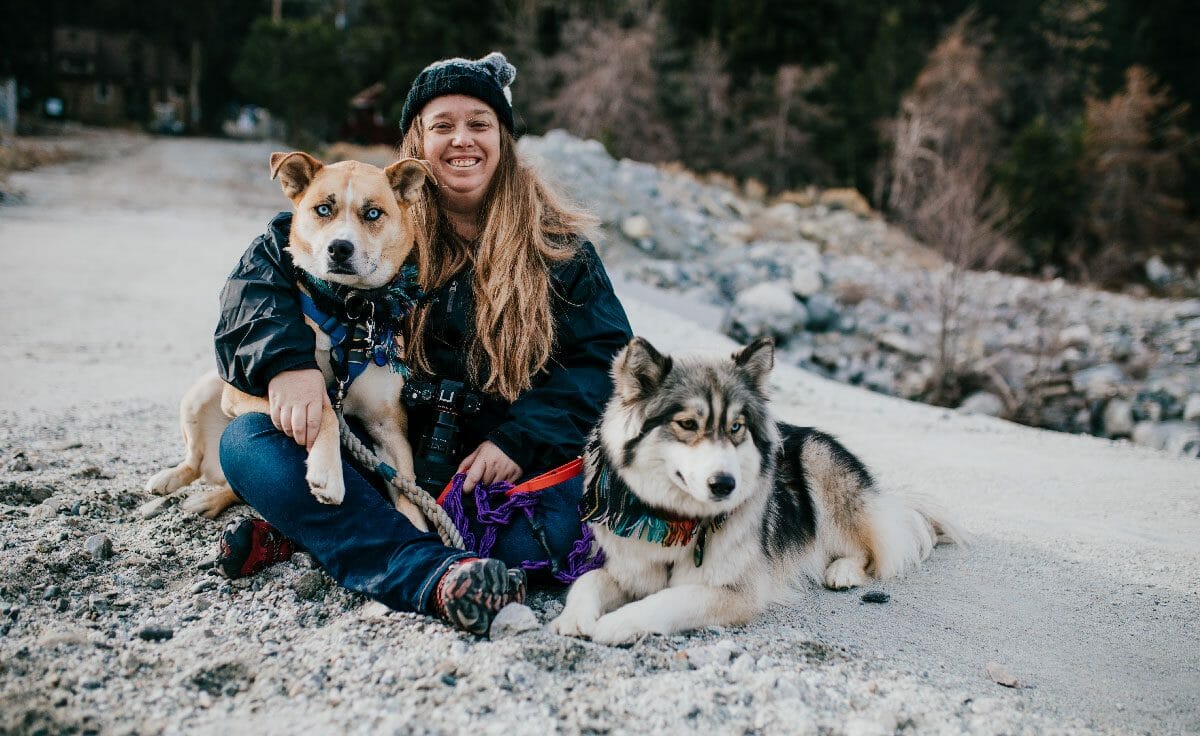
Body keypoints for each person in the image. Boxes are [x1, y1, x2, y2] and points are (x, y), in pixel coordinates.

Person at [212, 52, 632, 635]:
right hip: (372, 453)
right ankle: (430, 574)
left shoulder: (559, 249)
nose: (463, 140)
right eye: (442, 126)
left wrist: (520, 438)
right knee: (248, 443)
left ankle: (324, 533)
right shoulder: (369, 214)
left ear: (504, 139)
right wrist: (288, 367)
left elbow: (607, 361)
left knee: (562, 527)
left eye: (480, 124)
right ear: (416, 142)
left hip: (495, 478)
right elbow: (255, 286)